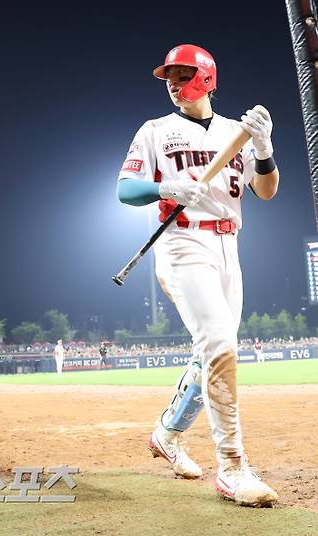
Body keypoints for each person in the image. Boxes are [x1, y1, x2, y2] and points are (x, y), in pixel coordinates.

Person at [117, 45, 279, 507]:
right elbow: (125, 189)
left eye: (183, 73)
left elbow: (266, 190)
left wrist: (264, 148)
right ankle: (233, 468)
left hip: (230, 247)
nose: (172, 82)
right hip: (183, 243)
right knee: (222, 345)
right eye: (168, 75)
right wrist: (164, 187)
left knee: (209, 350)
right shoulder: (156, 130)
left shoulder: (235, 133)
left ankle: (167, 434)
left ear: (207, 77)